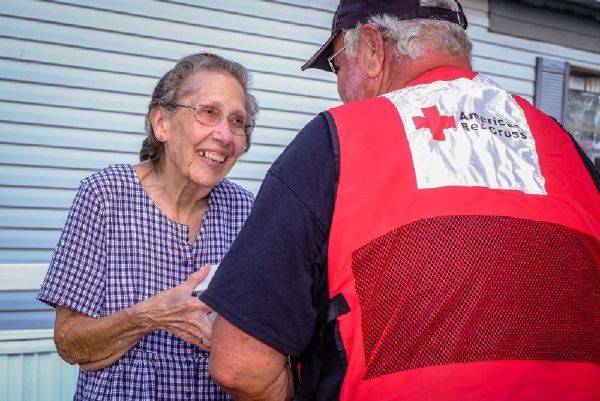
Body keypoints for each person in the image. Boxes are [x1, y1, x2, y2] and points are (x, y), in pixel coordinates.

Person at [200, 1, 600, 400]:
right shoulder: (566, 148)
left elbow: (240, 363)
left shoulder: (338, 141)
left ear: (373, 49)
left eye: (339, 66)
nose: (341, 90)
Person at [37, 52, 258, 401]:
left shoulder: (247, 211)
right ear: (162, 124)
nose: (225, 135)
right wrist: (150, 315)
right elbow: (69, 342)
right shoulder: (105, 196)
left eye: (237, 122)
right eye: (209, 112)